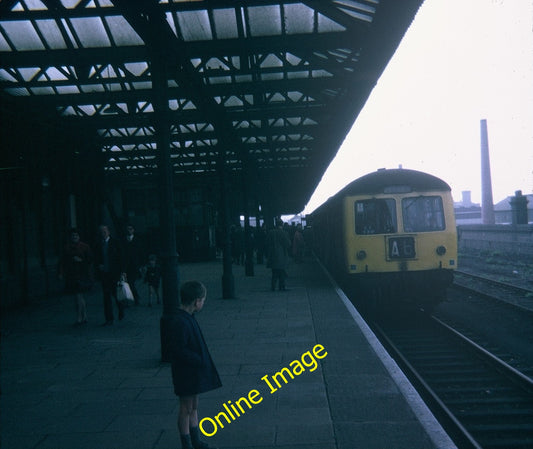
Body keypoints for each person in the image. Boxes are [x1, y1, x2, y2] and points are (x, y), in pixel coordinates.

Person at [170, 281, 221, 449]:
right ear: (196, 301)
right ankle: (187, 443)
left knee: (193, 406)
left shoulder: (186, 318)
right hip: (186, 373)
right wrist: (198, 360)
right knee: (186, 408)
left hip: (192, 372)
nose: (203, 303)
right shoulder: (181, 322)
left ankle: (195, 440)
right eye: (203, 300)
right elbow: (178, 349)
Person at [59, 228, 93, 326]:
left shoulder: (85, 247)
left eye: (76, 236)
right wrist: (61, 273)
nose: (74, 237)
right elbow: (63, 261)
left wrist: (81, 261)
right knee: (78, 296)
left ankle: (79, 317)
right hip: (72, 274)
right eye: (73, 236)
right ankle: (84, 316)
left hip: (82, 274)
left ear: (79, 237)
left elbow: (90, 260)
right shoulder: (67, 248)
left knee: (78, 295)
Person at [95, 225, 125, 325]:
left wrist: (122, 272)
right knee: (106, 296)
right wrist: (99, 265)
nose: (103, 233)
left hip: (114, 273)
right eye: (101, 232)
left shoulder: (115, 243)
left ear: (108, 232)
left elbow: (121, 258)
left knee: (116, 294)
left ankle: (121, 309)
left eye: (104, 231)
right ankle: (109, 318)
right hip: (105, 274)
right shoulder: (99, 244)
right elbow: (97, 258)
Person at [266, 219, 291, 291]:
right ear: (282, 225)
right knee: (281, 272)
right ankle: (281, 286)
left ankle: (273, 287)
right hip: (281, 255)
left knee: (274, 273)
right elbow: (288, 244)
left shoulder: (271, 232)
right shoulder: (284, 233)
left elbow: (267, 242)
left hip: (273, 255)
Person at [123, 224, 144, 305]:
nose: (129, 230)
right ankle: (132, 298)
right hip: (126, 265)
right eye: (128, 229)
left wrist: (141, 265)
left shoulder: (137, 240)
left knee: (130, 283)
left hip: (134, 265)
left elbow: (141, 253)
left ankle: (134, 297)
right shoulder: (124, 240)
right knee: (127, 283)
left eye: (130, 229)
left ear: (133, 230)